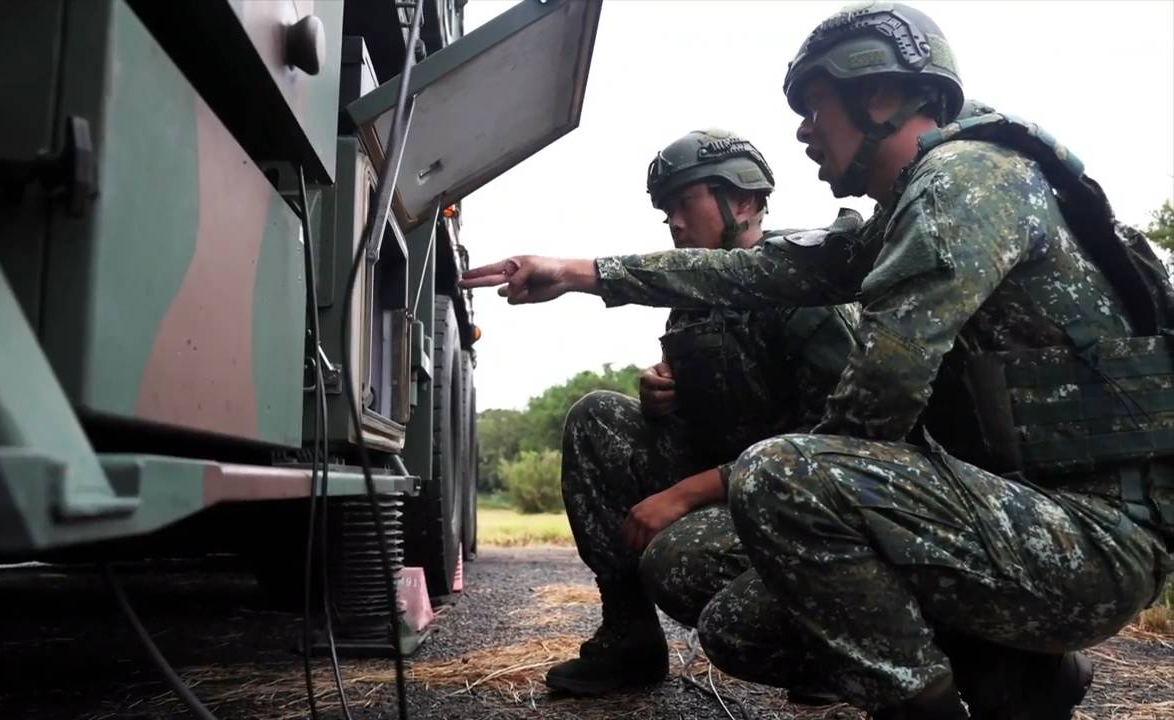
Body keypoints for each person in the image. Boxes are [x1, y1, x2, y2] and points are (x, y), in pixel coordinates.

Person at [461, 4, 1174, 718]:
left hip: (1090, 542)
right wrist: (582, 273)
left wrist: (758, 487)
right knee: (738, 624)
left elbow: (878, 395)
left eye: (813, 105)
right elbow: (753, 274)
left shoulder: (967, 181)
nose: (803, 130)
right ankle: (1009, 674)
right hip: (1016, 524)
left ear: (881, 96)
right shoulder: (910, 209)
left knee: (785, 472)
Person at [545, 129, 862, 697]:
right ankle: (630, 639)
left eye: (683, 203)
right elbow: (707, 385)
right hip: (727, 482)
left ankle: (835, 645)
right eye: (665, 211)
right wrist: (661, 393)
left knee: (677, 564)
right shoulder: (692, 296)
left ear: (741, 200)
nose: (673, 223)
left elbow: (840, 446)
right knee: (599, 417)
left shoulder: (805, 290)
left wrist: (687, 493)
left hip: (802, 505)